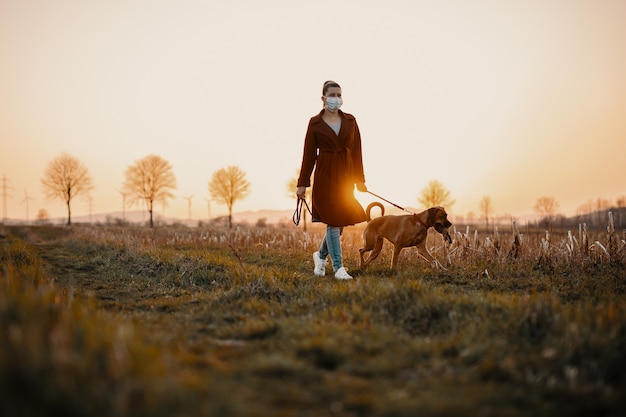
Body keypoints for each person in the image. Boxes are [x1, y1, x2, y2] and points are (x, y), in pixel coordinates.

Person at [296, 80, 368, 280]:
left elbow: (357, 152)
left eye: (339, 94)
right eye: (332, 95)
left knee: (340, 222)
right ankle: (338, 268)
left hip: (345, 178)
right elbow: (308, 155)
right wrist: (302, 183)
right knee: (334, 223)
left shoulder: (351, 121)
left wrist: (359, 179)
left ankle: (320, 256)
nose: (336, 99)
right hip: (325, 177)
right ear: (323, 98)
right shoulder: (315, 123)